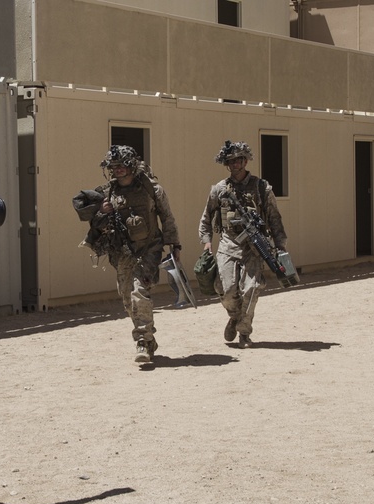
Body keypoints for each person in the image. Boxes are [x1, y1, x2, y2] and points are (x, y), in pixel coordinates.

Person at [73, 145, 181, 364]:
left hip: (149, 248)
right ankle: (149, 338)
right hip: (122, 252)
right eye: (113, 166)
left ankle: (142, 340)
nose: (118, 169)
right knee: (126, 298)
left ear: (132, 165)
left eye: (122, 165)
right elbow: (93, 222)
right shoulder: (107, 193)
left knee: (140, 292)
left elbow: (167, 218)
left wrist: (174, 246)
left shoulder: (153, 190)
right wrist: (102, 213)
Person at [198, 140, 288, 348]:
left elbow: (274, 218)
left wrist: (280, 246)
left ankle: (244, 333)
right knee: (226, 289)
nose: (234, 164)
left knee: (251, 289)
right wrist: (206, 242)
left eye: (238, 160)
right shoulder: (219, 189)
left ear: (246, 161)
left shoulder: (261, 187)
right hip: (228, 243)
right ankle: (234, 316)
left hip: (255, 245)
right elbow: (206, 218)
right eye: (230, 161)